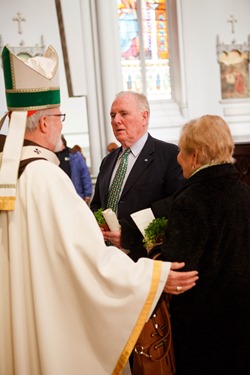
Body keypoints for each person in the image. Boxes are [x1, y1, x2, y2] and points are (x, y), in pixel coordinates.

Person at [0, 45, 198, 375]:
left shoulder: (11, 176)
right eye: (59, 119)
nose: (116, 121)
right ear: (46, 123)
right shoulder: (47, 177)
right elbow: (89, 258)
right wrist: (155, 276)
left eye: (124, 114)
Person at [158, 115, 250, 375]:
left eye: (181, 152)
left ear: (195, 156)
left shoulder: (191, 199)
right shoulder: (244, 193)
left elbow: (177, 271)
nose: (178, 159)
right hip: (241, 318)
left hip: (204, 326)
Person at [90, 91, 185, 261]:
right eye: (112, 115)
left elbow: (174, 208)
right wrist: (98, 227)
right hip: (107, 258)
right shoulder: (108, 161)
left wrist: (129, 235)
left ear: (144, 116)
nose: (115, 120)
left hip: (145, 258)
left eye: (123, 113)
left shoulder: (170, 155)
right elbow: (97, 204)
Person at [56, 135, 92, 205]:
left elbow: (85, 174)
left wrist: (88, 194)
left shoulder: (75, 155)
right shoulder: (52, 155)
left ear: (62, 142)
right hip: (59, 196)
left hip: (75, 194)